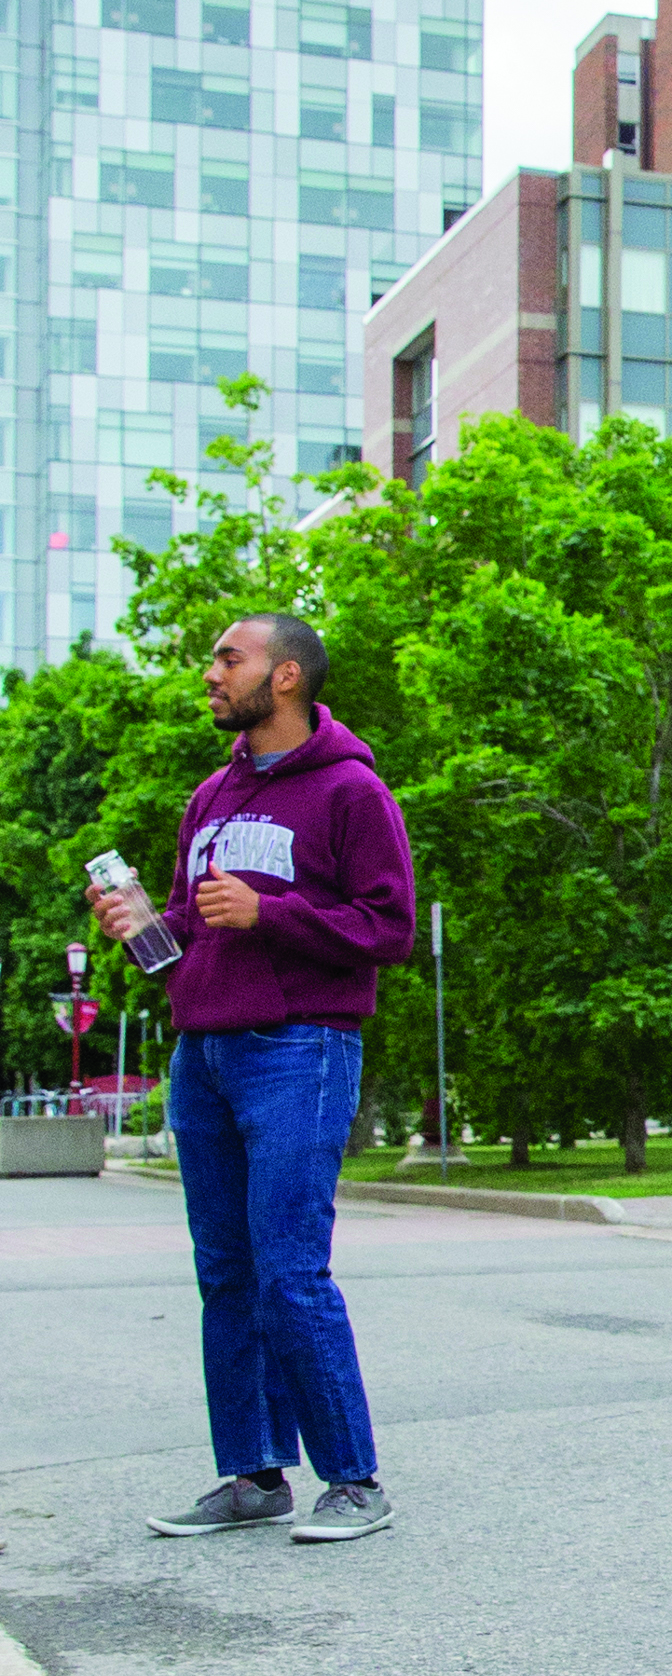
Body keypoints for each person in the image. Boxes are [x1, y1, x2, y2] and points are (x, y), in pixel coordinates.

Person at [92, 613, 415, 1550]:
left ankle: (354, 1480)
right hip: (205, 1054)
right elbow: (192, 944)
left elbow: (386, 929)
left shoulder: (352, 791)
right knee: (224, 1274)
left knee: (288, 1271)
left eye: (228, 659)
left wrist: (270, 913)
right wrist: (149, 922)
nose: (211, 673)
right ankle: (251, 1474)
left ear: (284, 676)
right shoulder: (210, 799)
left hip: (298, 1050)